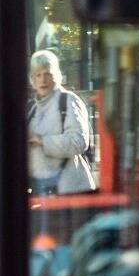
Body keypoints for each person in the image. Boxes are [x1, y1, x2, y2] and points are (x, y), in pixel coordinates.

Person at [28, 49, 95, 195]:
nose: (42, 79)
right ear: (32, 79)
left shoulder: (68, 100)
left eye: (47, 74)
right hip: (42, 194)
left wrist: (42, 141)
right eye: (38, 75)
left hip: (70, 192)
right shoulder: (32, 109)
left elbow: (79, 142)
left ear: (56, 76)